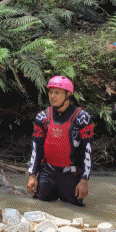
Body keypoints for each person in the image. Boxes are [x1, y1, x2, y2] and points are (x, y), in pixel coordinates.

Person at [27, 75, 94, 205]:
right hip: (47, 173)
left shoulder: (82, 118)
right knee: (39, 206)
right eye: (50, 92)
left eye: (57, 93)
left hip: (72, 175)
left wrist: (84, 180)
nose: (52, 96)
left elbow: (88, 152)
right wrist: (32, 175)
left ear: (68, 94)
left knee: (75, 211)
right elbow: (36, 149)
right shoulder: (42, 117)